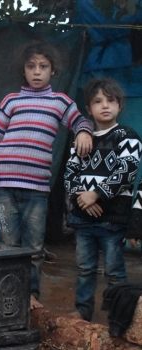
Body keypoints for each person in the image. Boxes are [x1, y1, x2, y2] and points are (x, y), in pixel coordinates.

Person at [0, 42, 94, 311]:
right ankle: (5, 295)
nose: (37, 72)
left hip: (37, 190)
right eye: (31, 67)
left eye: (43, 66)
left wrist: (84, 131)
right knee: (7, 244)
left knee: (33, 247)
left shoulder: (60, 102)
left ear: (53, 71)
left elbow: (80, 121)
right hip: (4, 187)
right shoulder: (11, 101)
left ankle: (29, 295)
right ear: (24, 71)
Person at [64, 78, 142, 321]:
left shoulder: (127, 136)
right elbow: (69, 175)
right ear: (88, 108)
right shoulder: (82, 140)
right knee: (85, 269)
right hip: (83, 220)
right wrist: (83, 200)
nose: (105, 105)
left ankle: (116, 316)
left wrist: (95, 194)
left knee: (114, 271)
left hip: (112, 220)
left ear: (120, 105)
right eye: (98, 101)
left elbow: (127, 171)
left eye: (111, 100)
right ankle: (83, 310)